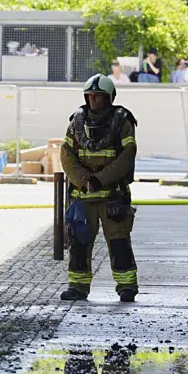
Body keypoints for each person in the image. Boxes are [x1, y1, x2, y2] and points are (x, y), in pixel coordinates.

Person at [60, 74, 140, 302]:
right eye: (90, 95)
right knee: (79, 243)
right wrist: (84, 179)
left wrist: (100, 179)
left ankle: (127, 286)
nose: (93, 99)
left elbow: (127, 156)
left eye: (98, 95)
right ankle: (77, 286)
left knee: (119, 242)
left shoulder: (122, 122)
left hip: (113, 196)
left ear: (109, 97)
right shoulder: (76, 122)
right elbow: (67, 155)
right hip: (83, 196)